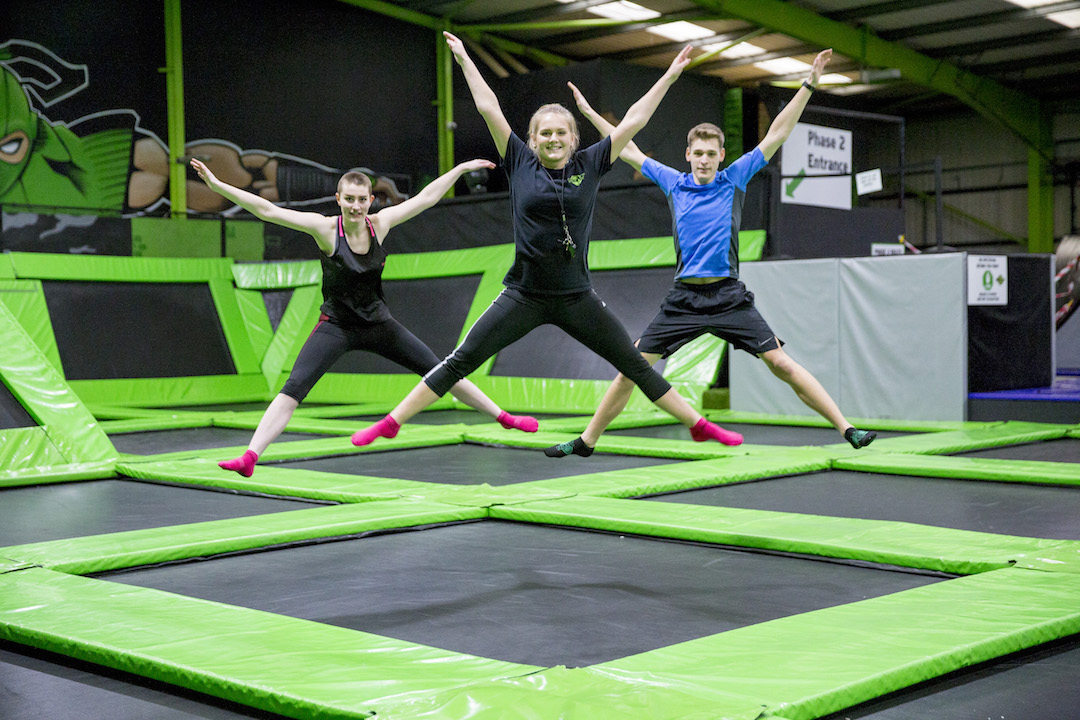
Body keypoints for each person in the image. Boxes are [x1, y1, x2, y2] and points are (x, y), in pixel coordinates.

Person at [350, 32, 744, 451]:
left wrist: (669, 76)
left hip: (576, 297)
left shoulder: (591, 163)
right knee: (459, 360)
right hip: (523, 295)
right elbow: (488, 107)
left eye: (561, 133)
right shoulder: (519, 161)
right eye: (545, 133)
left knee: (634, 364)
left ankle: (697, 424)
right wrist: (464, 59)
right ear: (533, 139)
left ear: (573, 139)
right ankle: (392, 422)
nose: (553, 139)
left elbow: (635, 120)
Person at [545, 48, 877, 458]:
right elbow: (625, 146)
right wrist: (589, 113)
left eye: (711, 154)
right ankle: (587, 440)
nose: (704, 160)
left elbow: (777, 133)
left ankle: (847, 429)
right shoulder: (673, 182)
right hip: (684, 299)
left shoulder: (734, 179)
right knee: (632, 368)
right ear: (688, 155)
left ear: (721, 156)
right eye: (697, 153)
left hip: (728, 297)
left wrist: (809, 83)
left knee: (781, 364)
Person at [191, 157, 539, 477]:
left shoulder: (380, 225)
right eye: (349, 200)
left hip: (378, 324)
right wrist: (218, 185)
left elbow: (426, 198)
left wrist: (459, 170)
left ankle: (503, 417)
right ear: (338, 199)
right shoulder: (325, 229)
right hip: (336, 327)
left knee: (440, 369)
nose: (356, 207)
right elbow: (266, 209)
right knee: (293, 389)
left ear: (371, 200)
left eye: (362, 200)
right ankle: (250, 456)